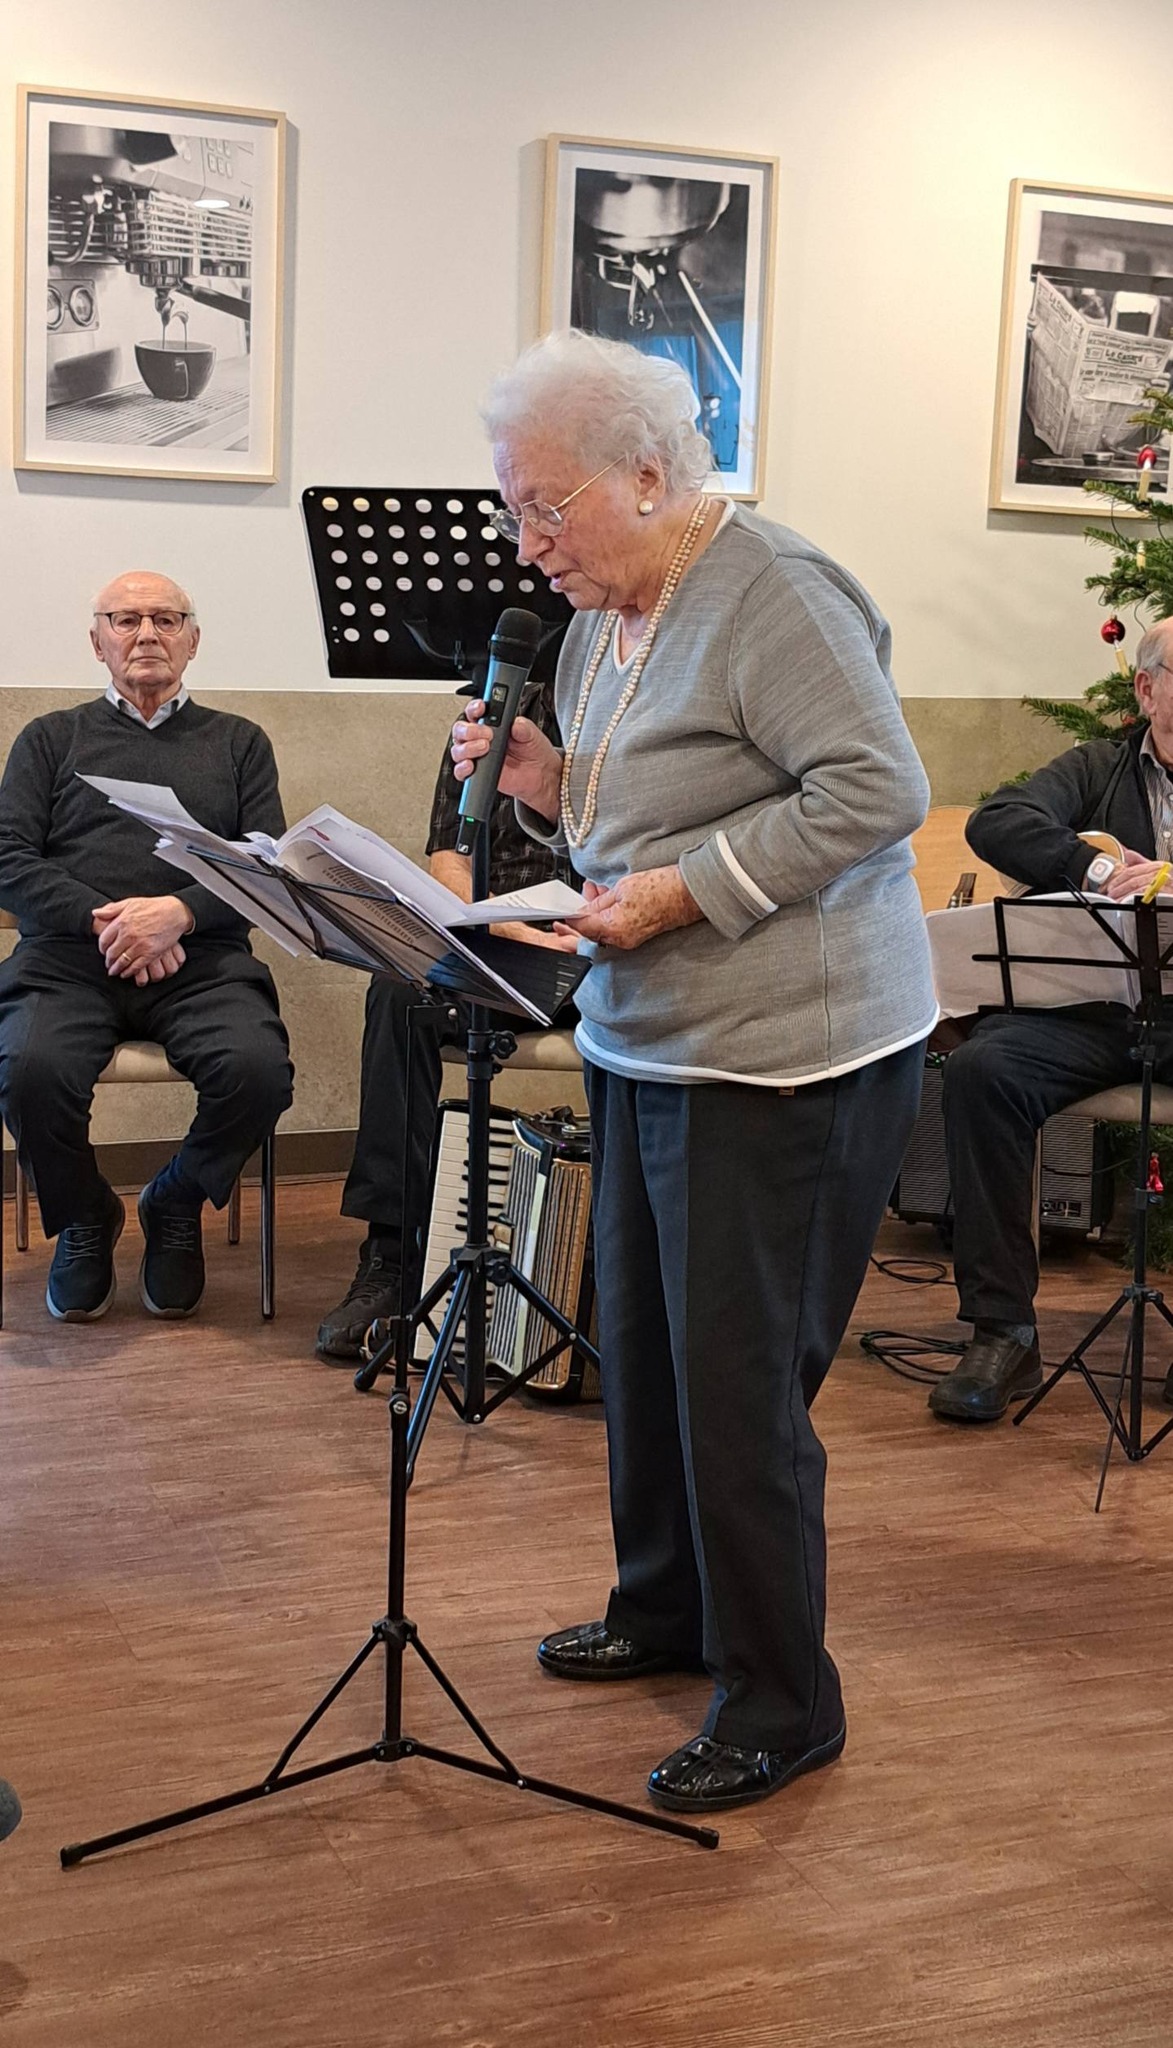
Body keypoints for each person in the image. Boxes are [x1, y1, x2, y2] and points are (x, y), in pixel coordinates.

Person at [451, 329, 937, 1816]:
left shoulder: (770, 587)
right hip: (645, 1035)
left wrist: (682, 894)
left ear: (650, 476)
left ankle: (784, 1698)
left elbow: (879, 788)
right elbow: (636, 797)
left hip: (786, 1056)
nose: (527, 544)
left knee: (737, 1388)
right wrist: (547, 787)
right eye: (514, 508)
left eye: (546, 507)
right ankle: (664, 1607)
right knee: (648, 1355)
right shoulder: (603, 613)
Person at [0, 570, 294, 1323]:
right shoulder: (49, 738)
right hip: (68, 961)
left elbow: (265, 866)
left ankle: (175, 1200)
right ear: (96, 641)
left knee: (258, 1073)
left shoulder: (239, 743)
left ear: (193, 640)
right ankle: (85, 1215)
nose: (146, 634)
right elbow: (9, 859)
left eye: (166, 619)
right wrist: (114, 923)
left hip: (203, 963)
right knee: (29, 1073)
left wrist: (180, 915)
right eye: (125, 620)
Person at [931, 617, 1173, 1423]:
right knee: (982, 1072)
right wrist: (1093, 868)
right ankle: (1001, 1330)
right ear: (1146, 689)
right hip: (1091, 1012)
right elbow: (995, 821)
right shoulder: (1097, 767)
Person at [316, 690, 574, 1360]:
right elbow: (449, 859)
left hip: (600, 949)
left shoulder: (630, 703)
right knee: (399, 992)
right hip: (502, 942)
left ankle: (594, 1259)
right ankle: (392, 1254)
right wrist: (503, 930)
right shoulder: (494, 715)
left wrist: (569, 937)